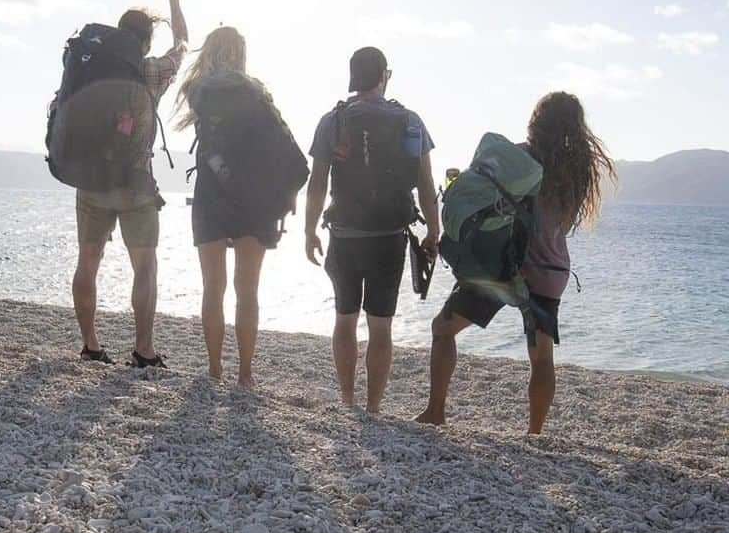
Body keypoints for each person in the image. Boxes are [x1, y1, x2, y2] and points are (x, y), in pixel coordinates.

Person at [415, 91, 616, 434]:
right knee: (541, 357)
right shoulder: (579, 173)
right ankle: (534, 433)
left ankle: (436, 411)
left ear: (536, 121)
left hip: (502, 268)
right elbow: (564, 225)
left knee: (443, 328)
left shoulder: (518, 158)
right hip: (550, 271)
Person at [305, 47, 439, 412]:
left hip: (345, 234)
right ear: (383, 76)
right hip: (389, 237)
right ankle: (374, 407)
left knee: (344, 319)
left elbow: (317, 182)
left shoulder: (332, 121)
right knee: (381, 327)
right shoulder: (410, 120)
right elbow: (425, 184)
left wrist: (308, 230)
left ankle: (348, 400)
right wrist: (434, 231)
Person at [71, 0, 193, 369]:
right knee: (145, 267)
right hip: (135, 184)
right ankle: (143, 349)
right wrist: (175, 1)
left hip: (90, 181)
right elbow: (184, 45)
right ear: (144, 42)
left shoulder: (90, 67)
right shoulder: (152, 72)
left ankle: (90, 345)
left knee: (87, 263)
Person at [175, 27, 307, 387]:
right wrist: (286, 192)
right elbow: (284, 147)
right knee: (247, 290)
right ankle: (245, 373)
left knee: (212, 288)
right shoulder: (257, 93)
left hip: (211, 195)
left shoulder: (196, 91)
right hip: (254, 201)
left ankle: (215, 368)